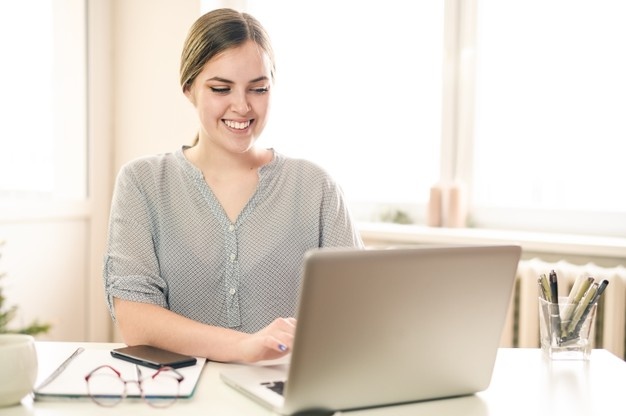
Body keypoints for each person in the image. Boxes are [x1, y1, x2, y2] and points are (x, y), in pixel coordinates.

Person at [102, 8, 363, 364]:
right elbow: (136, 321)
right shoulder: (142, 183)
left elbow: (357, 308)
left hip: (283, 388)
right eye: (221, 88)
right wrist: (243, 346)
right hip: (181, 393)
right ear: (189, 89)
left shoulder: (316, 187)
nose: (242, 106)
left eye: (258, 89)